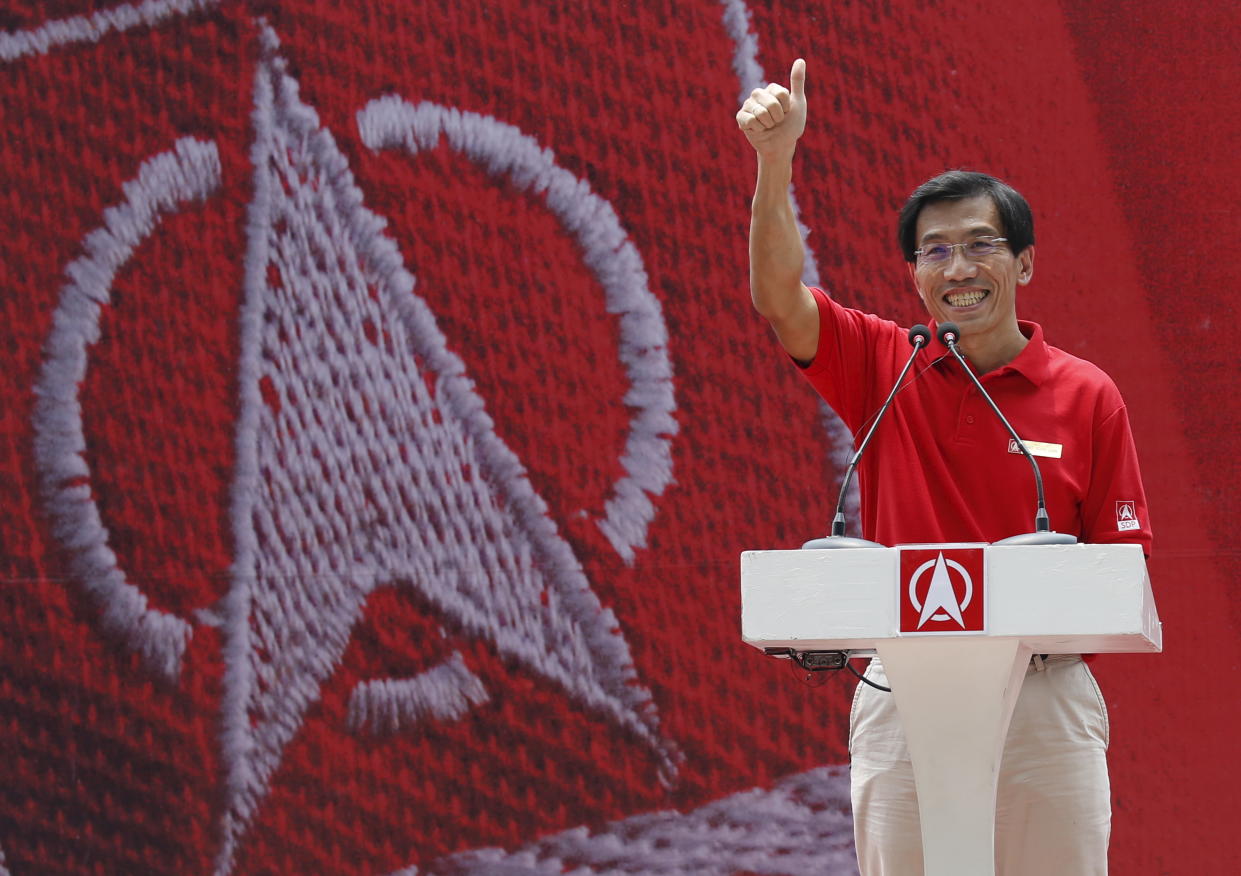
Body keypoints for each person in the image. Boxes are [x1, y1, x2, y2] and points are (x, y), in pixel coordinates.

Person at [736, 59, 1153, 875]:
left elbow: (1122, 568)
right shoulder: (883, 362)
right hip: (903, 692)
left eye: (979, 246)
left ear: (1023, 264)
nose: (957, 269)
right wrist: (775, 160)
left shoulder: (1086, 393)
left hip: (1042, 697)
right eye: (935, 252)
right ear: (914, 275)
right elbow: (777, 295)